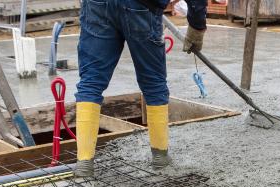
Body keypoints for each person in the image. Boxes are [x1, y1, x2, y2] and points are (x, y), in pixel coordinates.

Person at [73, 0, 208, 177]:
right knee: (153, 82)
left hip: (98, 5)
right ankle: (160, 157)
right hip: (141, 6)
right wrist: (197, 26)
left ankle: (84, 163)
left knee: (91, 82)